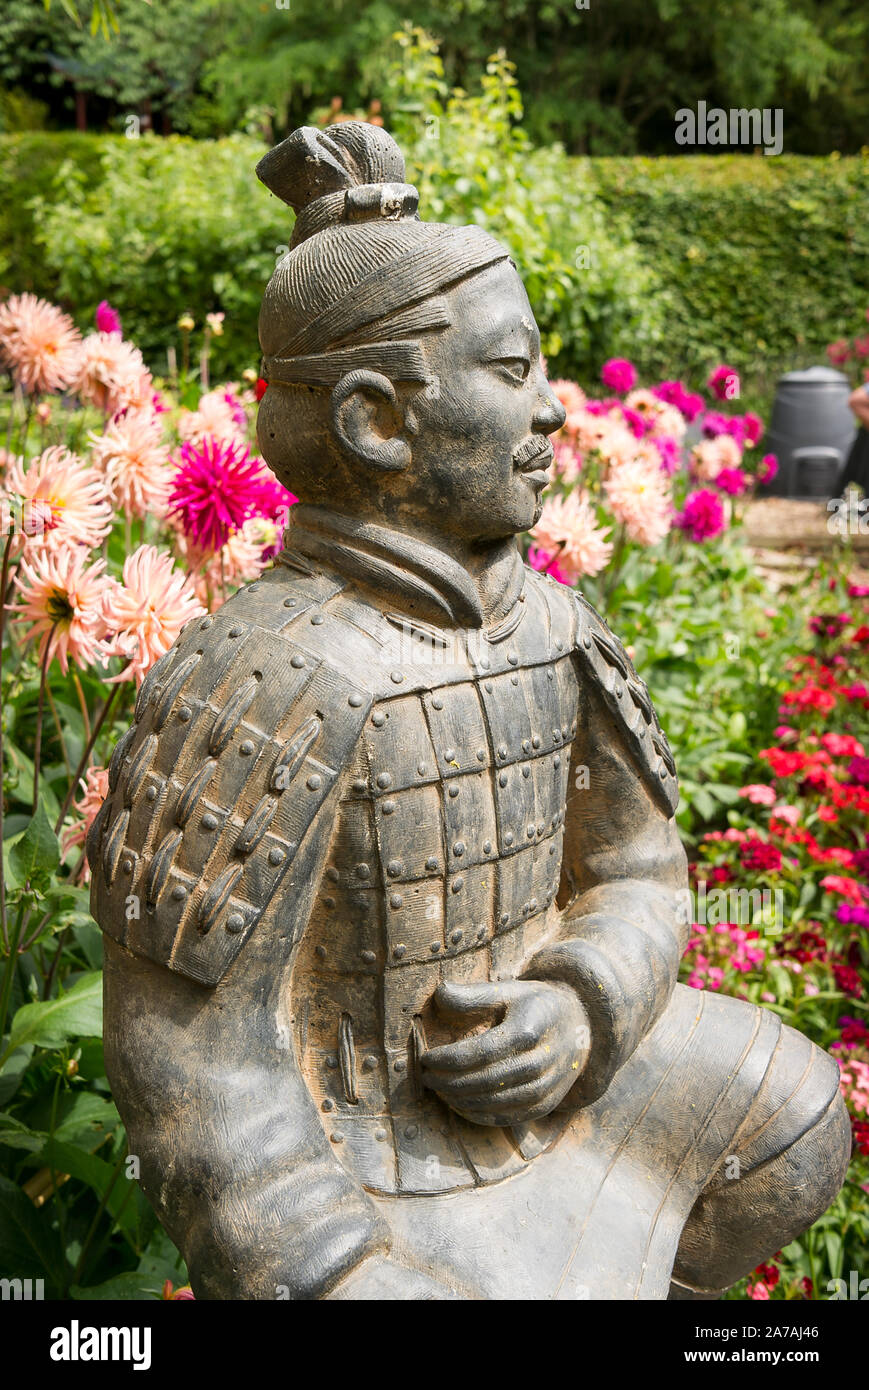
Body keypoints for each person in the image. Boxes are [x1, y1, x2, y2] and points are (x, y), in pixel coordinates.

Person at [88, 122, 851, 1300]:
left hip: (556, 1104)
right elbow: (191, 1063)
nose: (552, 410)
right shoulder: (262, 672)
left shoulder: (554, 624)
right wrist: (333, 1272)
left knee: (791, 1117)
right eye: (511, 372)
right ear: (374, 421)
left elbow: (640, 870)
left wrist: (584, 1000)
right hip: (372, 1170)